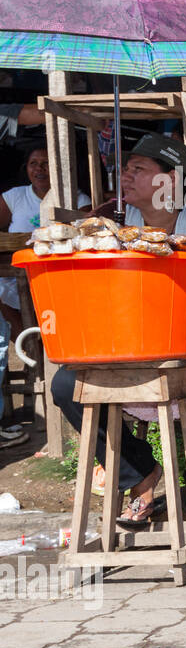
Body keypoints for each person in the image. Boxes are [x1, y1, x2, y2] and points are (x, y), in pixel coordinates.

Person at [51, 134, 186, 526]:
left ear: (171, 181)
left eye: (139, 169)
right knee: (65, 388)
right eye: (126, 168)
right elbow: (71, 234)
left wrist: (178, 248)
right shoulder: (114, 216)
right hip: (132, 349)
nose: (126, 176)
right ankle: (139, 474)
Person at [1, 143, 90, 445]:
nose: (39, 169)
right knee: (3, 299)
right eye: (33, 163)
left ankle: (49, 357)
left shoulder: (76, 200)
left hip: (58, 281)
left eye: (46, 164)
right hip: (16, 279)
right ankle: (38, 359)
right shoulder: (14, 197)